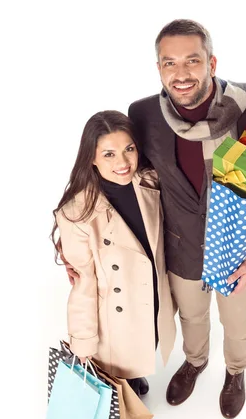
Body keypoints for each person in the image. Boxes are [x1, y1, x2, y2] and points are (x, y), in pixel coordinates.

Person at [128, 19, 246, 418]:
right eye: (169, 63)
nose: (180, 74)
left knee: (237, 325)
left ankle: (236, 371)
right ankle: (195, 361)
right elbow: (129, 180)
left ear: (212, 63)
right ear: (159, 68)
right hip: (181, 251)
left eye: (192, 61)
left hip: (241, 255)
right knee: (191, 317)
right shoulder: (144, 115)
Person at [52, 110, 176, 397]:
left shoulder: (150, 183)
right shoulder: (76, 213)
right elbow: (83, 283)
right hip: (117, 313)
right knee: (120, 361)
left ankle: (133, 377)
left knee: (146, 344)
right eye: (108, 154)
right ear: (91, 158)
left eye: (129, 149)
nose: (122, 163)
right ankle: (123, 393)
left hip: (152, 294)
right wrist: (82, 341)